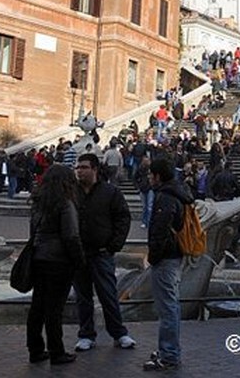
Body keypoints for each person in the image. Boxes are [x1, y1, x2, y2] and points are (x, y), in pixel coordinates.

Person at [72, 154, 135, 352]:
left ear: (95, 169)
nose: (79, 171)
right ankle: (86, 334)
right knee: (83, 297)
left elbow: (123, 218)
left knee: (108, 294)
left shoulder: (110, 192)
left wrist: (113, 245)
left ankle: (119, 333)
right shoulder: (72, 192)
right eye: (78, 167)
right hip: (79, 253)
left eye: (84, 167)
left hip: (101, 253)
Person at [25, 164, 84, 365]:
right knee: (54, 309)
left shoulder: (38, 202)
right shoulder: (66, 203)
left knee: (37, 306)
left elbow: (33, 232)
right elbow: (71, 235)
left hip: (39, 257)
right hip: (59, 260)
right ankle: (57, 351)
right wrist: (79, 259)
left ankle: (35, 349)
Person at [144, 158, 193, 371]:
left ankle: (169, 355)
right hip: (174, 255)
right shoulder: (178, 193)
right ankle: (168, 349)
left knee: (167, 307)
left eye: (150, 174)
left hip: (166, 257)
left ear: (158, 176)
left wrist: (154, 256)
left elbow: (160, 231)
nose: (148, 178)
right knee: (170, 305)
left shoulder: (165, 197)